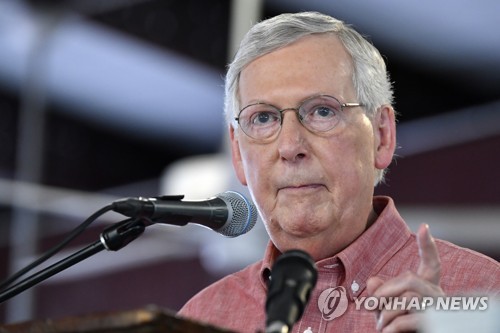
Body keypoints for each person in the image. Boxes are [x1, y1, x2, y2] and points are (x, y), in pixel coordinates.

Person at [178, 11, 500, 333]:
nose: (290, 146)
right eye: (263, 118)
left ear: (382, 136)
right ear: (237, 152)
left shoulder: (482, 296)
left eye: (322, 111)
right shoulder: (201, 318)